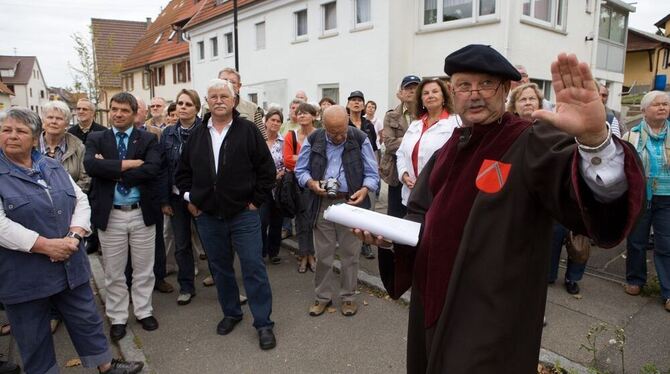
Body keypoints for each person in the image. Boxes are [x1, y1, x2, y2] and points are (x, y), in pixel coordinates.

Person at [356, 45, 644, 372]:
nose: (474, 94)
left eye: (487, 84)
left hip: (493, 316)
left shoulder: (530, 141)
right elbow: (419, 218)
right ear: (453, 92)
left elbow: (592, 201)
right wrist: (390, 239)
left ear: (505, 90)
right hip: (433, 301)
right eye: (464, 85)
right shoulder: (447, 150)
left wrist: (594, 140)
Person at [0, 107, 144, 374]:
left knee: (86, 319)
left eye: (20, 131)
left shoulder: (50, 165)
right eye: (6, 130)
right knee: (33, 334)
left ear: (34, 138)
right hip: (25, 273)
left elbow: (80, 200)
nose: (12, 136)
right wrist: (45, 245)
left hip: (69, 262)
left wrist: (74, 236)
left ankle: (105, 365)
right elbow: (1, 225)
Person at [176, 78, 277, 350]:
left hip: (243, 214)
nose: (219, 100)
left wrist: (255, 201)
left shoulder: (247, 131)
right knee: (220, 269)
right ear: (207, 102)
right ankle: (231, 312)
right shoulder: (197, 134)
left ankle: (263, 323)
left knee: (253, 267)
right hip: (208, 216)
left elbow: (267, 171)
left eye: (224, 95)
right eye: (214, 96)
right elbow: (182, 173)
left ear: (234, 101)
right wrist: (191, 200)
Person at [84, 92, 163, 342]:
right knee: (114, 272)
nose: (118, 114)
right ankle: (117, 317)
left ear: (134, 113)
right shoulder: (97, 138)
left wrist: (110, 168)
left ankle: (143, 311)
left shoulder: (148, 139)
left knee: (143, 269)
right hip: (112, 215)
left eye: (124, 110)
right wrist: (128, 165)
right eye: (114, 109)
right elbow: (90, 166)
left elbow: (152, 169)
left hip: (141, 213)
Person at [295, 105, 380, 317]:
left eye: (342, 130)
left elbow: (372, 173)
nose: (339, 136)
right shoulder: (314, 139)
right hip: (322, 205)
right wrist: (312, 184)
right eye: (333, 132)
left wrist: (365, 189)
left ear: (348, 122)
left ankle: (348, 297)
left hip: (350, 203)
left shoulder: (359, 138)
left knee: (350, 255)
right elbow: (300, 170)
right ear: (323, 126)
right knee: (323, 255)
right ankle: (322, 297)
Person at [622, 90, 670, 312]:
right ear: (643, 111)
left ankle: (668, 291)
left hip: (667, 198)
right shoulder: (631, 135)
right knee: (636, 241)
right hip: (641, 197)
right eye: (656, 104)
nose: (662, 107)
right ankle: (635, 279)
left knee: (666, 244)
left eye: (665, 104)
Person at [159, 89, 203, 306]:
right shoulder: (168, 133)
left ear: (197, 108)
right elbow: (163, 168)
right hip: (177, 198)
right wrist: (165, 200)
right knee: (181, 244)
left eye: (188, 104)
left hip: (202, 198)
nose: (182, 107)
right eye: (179, 103)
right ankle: (186, 287)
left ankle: (226, 285)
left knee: (212, 243)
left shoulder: (207, 129)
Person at [396, 78, 458, 207]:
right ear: (421, 100)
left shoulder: (455, 123)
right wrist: (404, 175)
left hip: (440, 195)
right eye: (426, 93)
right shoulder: (415, 125)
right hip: (412, 194)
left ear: (444, 97)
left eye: (435, 91)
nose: (430, 95)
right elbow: (401, 153)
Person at [134, 97, 173, 294]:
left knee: (157, 240)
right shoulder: (113, 136)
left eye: (137, 109)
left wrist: (163, 199)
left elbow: (160, 167)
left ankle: (159, 277)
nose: (133, 112)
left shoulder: (156, 134)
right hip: (130, 197)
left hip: (152, 195)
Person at [284, 102, 318, 273]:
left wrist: (300, 158)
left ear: (314, 116)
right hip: (296, 185)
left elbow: (321, 160)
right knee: (300, 221)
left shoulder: (319, 135)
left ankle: (312, 254)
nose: (302, 115)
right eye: (299, 113)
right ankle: (304, 255)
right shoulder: (291, 135)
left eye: (306, 113)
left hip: (315, 183)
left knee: (313, 221)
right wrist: (307, 160)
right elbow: (287, 159)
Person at [380, 75, 421, 218]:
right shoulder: (391, 116)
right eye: (408, 88)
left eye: (415, 88)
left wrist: (403, 141)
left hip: (420, 171)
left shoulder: (427, 114)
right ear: (400, 93)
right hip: (396, 173)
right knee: (396, 215)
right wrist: (417, 140)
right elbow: (390, 144)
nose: (412, 91)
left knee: (418, 213)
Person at [347, 91, 378, 260]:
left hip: (366, 171)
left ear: (364, 105)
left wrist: (375, 170)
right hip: (349, 171)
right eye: (353, 100)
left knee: (367, 209)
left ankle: (366, 244)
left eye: (359, 100)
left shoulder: (368, 125)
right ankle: (351, 244)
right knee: (351, 207)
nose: (356, 103)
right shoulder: (344, 122)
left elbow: (373, 149)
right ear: (348, 104)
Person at [40, 101, 90, 193]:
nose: (54, 121)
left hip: (70, 201)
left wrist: (67, 197)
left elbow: (85, 179)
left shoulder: (78, 147)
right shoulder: (30, 146)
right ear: (43, 121)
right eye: (50, 117)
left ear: (67, 124)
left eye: (59, 118)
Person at [260, 109, 285, 265]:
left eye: (278, 121)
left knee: (277, 221)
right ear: (266, 121)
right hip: (262, 188)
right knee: (262, 221)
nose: (275, 123)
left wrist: (281, 173)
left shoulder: (284, 142)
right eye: (272, 120)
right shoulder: (258, 141)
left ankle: (273, 252)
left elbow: (288, 163)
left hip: (279, 187)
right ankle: (261, 252)